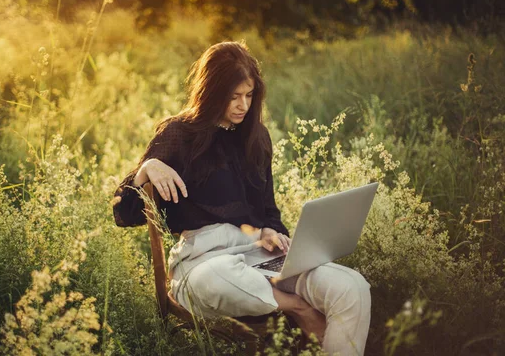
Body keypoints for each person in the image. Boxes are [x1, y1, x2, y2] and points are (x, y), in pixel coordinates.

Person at [112, 41, 371, 355]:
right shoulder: (179, 134)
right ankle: (298, 308)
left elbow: (268, 210)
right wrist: (148, 168)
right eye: (233, 96)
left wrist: (273, 231)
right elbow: (124, 214)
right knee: (215, 277)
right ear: (211, 92)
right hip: (203, 264)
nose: (242, 105)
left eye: (249, 96)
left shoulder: (257, 137)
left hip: (259, 259)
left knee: (352, 286)